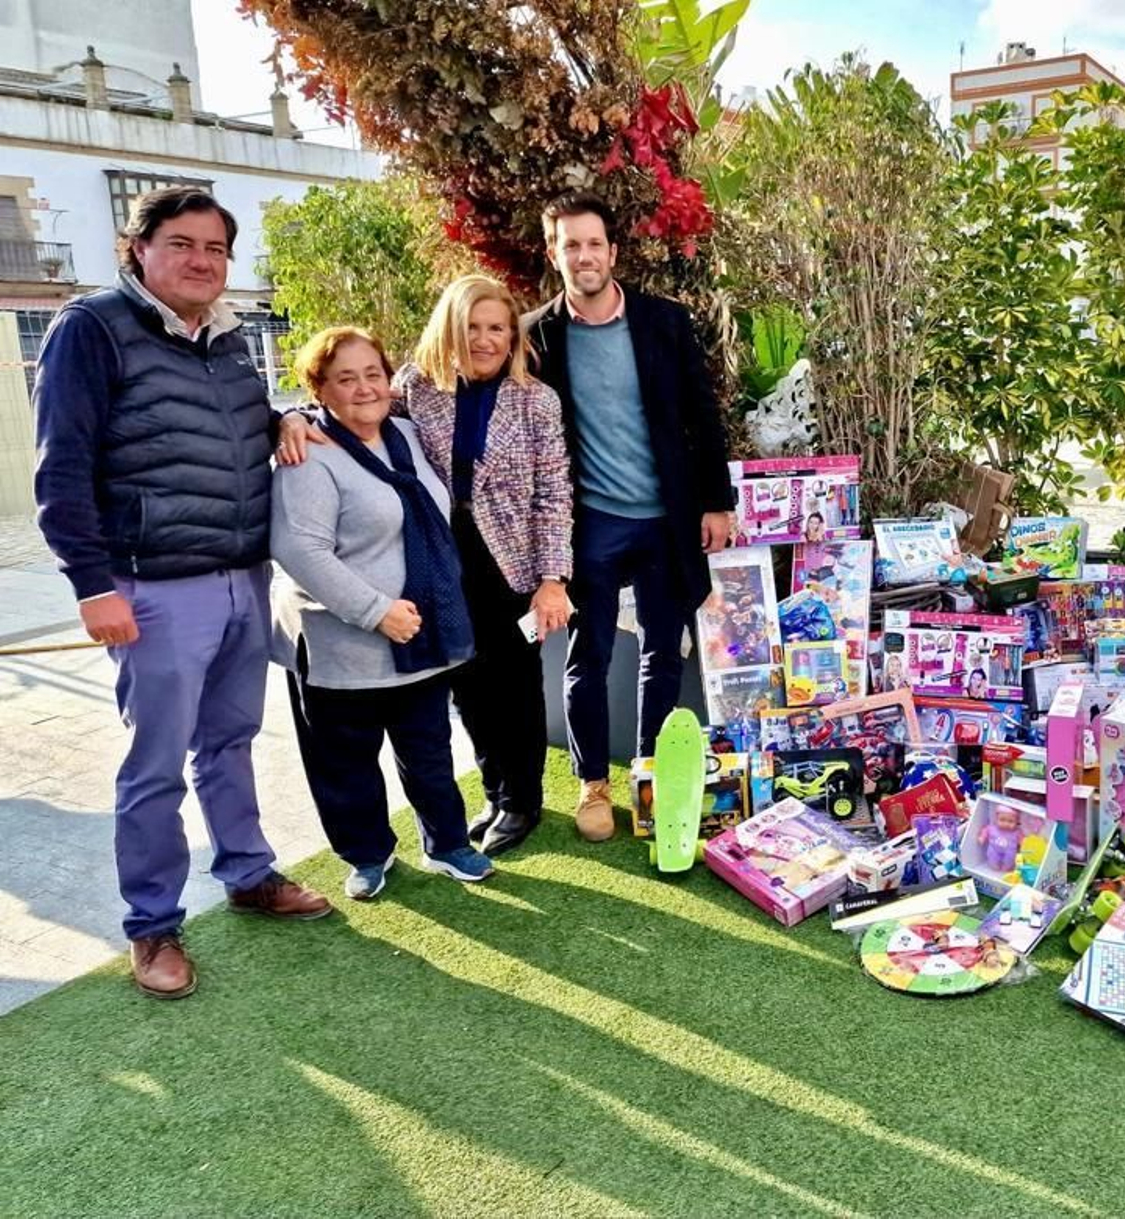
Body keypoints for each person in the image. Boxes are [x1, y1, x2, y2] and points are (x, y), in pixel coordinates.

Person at [33, 186, 330, 1001]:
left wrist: (289, 417)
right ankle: (153, 923)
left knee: (230, 742)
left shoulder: (228, 339)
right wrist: (93, 586)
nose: (202, 261)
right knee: (156, 764)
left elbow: (242, 414)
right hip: (154, 587)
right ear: (140, 249)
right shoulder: (92, 330)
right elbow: (61, 471)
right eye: (182, 244)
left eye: (216, 249)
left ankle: (247, 872)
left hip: (242, 578)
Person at [525, 191, 736, 842]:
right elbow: (462, 374)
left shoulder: (663, 322)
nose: (584, 256)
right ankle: (594, 784)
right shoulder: (537, 333)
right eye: (571, 245)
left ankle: (649, 771)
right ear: (554, 255)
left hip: (664, 518)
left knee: (661, 652)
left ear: (612, 252)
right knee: (585, 656)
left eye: (594, 243)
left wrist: (717, 500)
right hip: (591, 521)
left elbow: (704, 415)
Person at [270, 328, 493, 898]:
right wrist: (376, 612)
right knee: (346, 764)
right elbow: (300, 550)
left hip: (418, 636)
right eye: (346, 378)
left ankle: (447, 842)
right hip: (340, 648)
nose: (365, 387)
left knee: (429, 749)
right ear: (319, 388)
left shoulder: (408, 437)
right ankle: (367, 855)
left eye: (374, 373)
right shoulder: (310, 454)